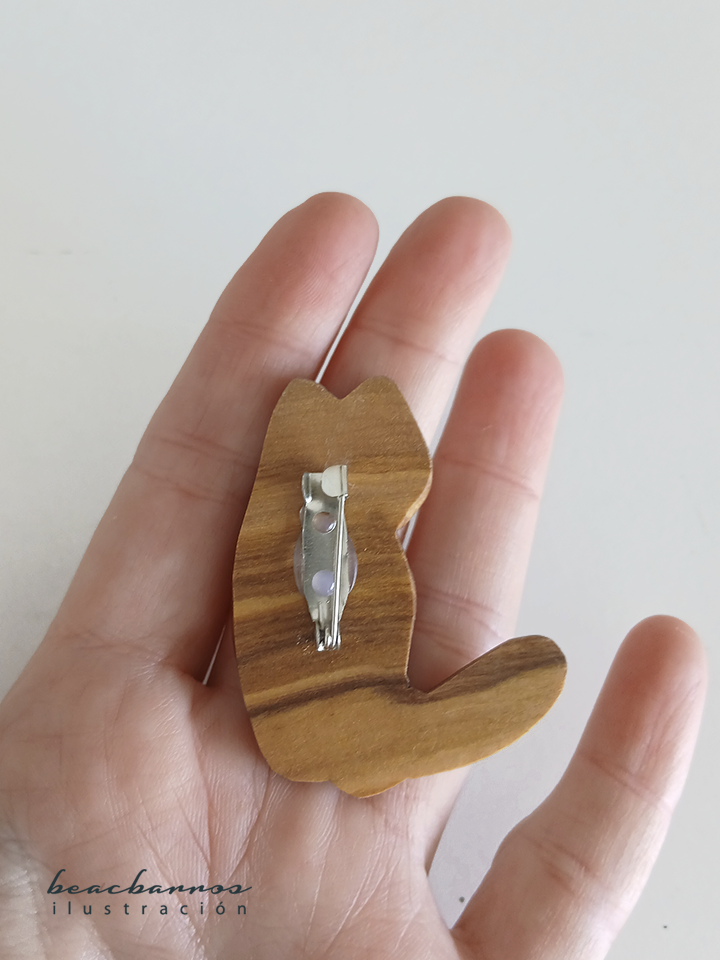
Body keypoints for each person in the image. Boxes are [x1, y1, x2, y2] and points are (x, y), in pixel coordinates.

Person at [0, 193, 706, 959]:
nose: (412, 488)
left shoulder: (325, 496)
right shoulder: (317, 496)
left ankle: (393, 723)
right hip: (312, 700)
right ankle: (392, 724)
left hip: (331, 683)